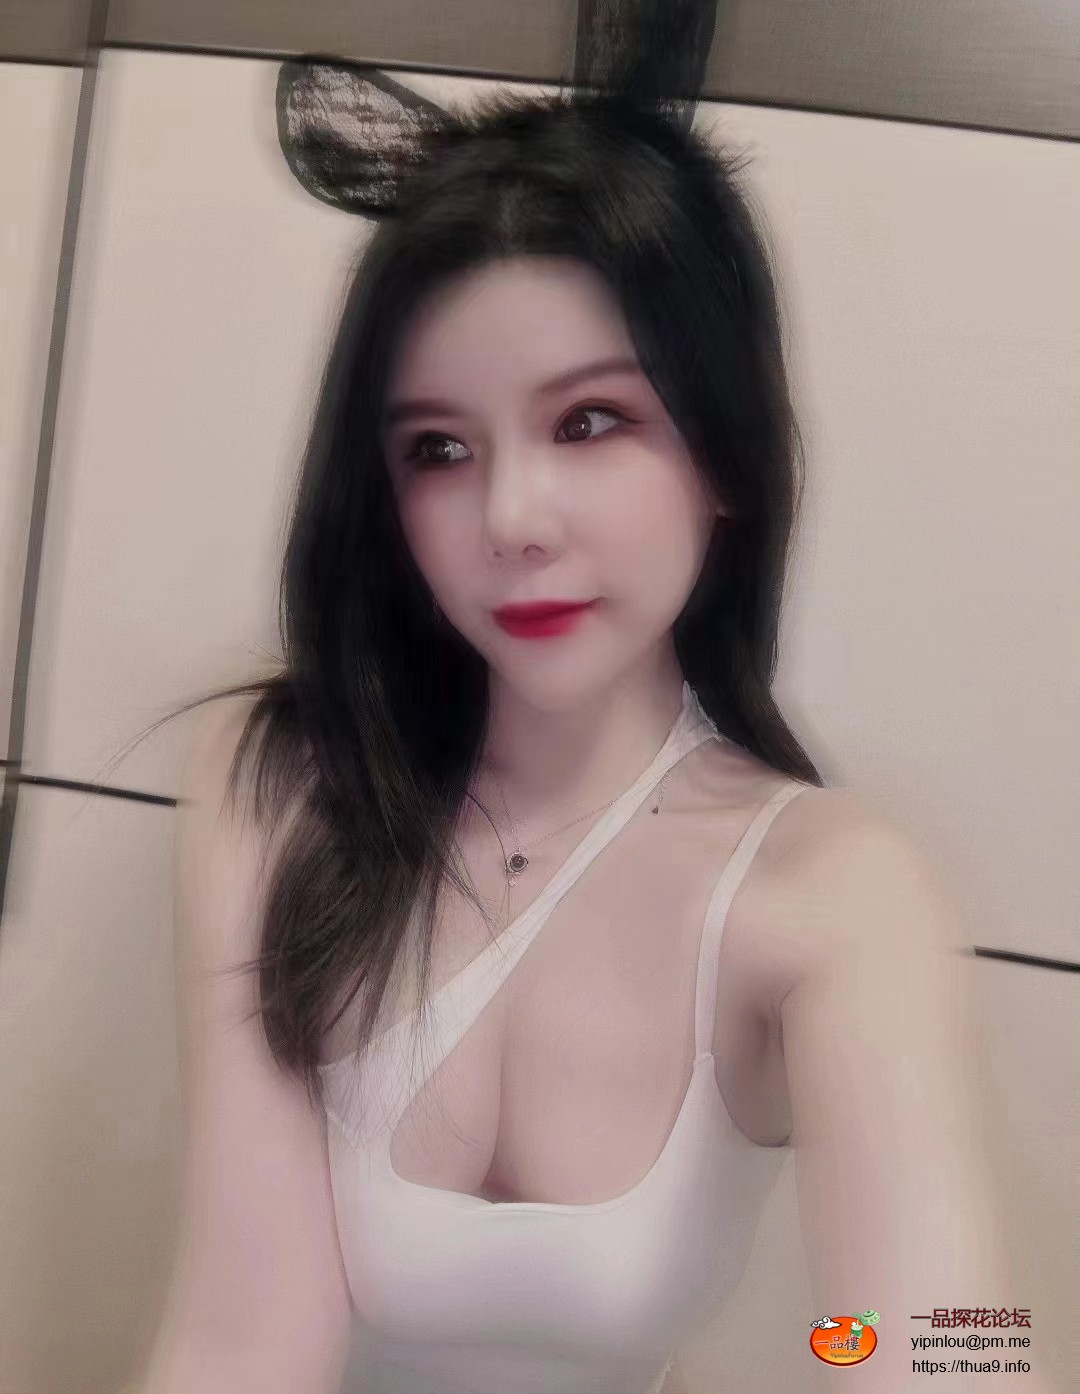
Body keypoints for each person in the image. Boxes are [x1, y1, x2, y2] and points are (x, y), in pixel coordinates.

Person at [135, 87, 1038, 1394]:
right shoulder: (281, 779)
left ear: (725, 453)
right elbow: (243, 1334)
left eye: (590, 421)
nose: (512, 517)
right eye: (438, 448)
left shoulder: (834, 895)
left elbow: (947, 1348)